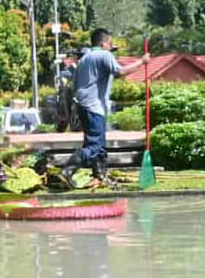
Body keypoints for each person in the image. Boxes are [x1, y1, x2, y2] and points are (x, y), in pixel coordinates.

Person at [60, 28, 149, 187]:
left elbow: (75, 85)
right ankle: (67, 171)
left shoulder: (84, 59)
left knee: (98, 145)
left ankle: (99, 176)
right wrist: (142, 62)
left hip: (83, 106)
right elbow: (119, 72)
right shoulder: (104, 55)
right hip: (94, 107)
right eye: (110, 44)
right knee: (94, 147)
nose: (111, 47)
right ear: (103, 43)